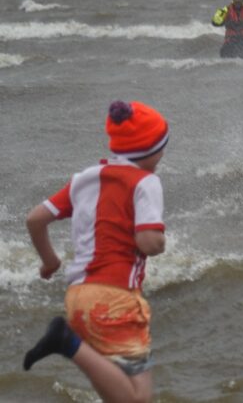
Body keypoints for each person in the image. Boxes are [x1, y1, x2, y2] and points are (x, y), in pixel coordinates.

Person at [23, 100, 169, 403]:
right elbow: (148, 242)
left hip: (79, 296)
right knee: (135, 400)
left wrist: (49, 261)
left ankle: (68, 341)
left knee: (133, 395)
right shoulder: (146, 182)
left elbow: (36, 219)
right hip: (114, 299)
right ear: (150, 151)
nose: (164, 153)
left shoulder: (85, 179)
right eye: (162, 145)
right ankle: (67, 342)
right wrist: (160, 242)